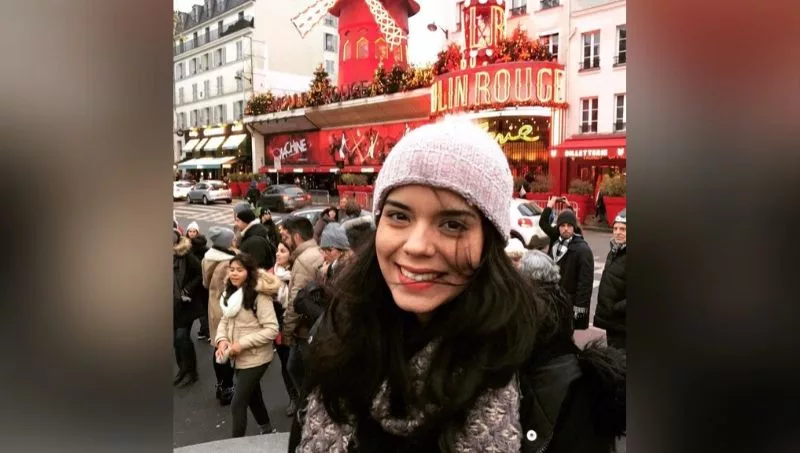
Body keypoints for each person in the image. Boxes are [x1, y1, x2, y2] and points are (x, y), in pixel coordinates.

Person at [291, 119, 625, 452]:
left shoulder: (550, 381)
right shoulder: (339, 335)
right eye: (399, 216)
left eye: (452, 224)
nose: (417, 246)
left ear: (489, 242)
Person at [214, 253, 281, 438]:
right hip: (237, 356)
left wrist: (241, 344)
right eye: (232, 269)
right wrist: (222, 340)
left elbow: (272, 329)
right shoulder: (231, 293)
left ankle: (236, 445)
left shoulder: (259, 296)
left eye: (239, 270)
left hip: (256, 357)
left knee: (237, 403)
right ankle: (268, 430)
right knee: (253, 395)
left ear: (249, 272)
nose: (234, 274)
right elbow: (225, 321)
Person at [280, 216, 324, 408]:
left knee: (298, 369)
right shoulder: (315, 252)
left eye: (286, 237)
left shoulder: (304, 260)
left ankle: (308, 408)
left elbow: (295, 301)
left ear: (296, 236)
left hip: (305, 329)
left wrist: (287, 331)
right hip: (312, 325)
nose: (284, 242)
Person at [538, 200, 595, 330]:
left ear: (574, 227)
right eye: (562, 225)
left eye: (569, 226)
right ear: (558, 227)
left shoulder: (583, 249)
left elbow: (585, 283)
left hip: (569, 302)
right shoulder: (555, 242)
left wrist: (579, 309)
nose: (565, 228)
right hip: (553, 301)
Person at [201, 226, 238, 406]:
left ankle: (221, 385)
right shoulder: (228, 263)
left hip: (213, 306)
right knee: (226, 348)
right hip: (226, 307)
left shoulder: (207, 258)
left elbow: (205, 283)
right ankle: (227, 387)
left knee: (217, 346)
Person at [173, 229, 204, 389]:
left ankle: (192, 373)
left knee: (182, 338)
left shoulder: (186, 256)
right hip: (172, 303)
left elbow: (200, 275)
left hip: (186, 304)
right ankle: (182, 370)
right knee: (175, 340)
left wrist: (187, 290)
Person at [271, 241, 299, 416]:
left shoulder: (298, 273)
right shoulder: (270, 275)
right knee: (285, 363)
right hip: (279, 326)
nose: (278, 254)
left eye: (282, 251)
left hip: (296, 326)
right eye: (277, 251)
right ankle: (293, 397)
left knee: (295, 364)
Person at [594, 209, 627, 350]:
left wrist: (616, 308)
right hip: (612, 321)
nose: (618, 232)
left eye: (623, 229)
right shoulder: (614, 251)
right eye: (615, 228)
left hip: (623, 323)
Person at [186, 221, 211, 340]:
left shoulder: (188, 249)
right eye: (190, 231)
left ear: (197, 232)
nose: (191, 233)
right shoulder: (206, 249)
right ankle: (205, 330)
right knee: (203, 307)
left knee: (198, 307)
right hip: (201, 281)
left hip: (195, 282)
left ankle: (205, 330)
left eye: (194, 231)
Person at [234, 205, 276, 270]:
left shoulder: (255, 242)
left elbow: (257, 267)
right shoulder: (251, 235)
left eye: (238, 221)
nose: (235, 223)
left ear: (245, 222)